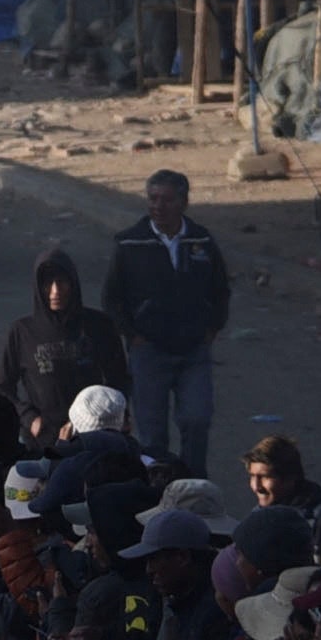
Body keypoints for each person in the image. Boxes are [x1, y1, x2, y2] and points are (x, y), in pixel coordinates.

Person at [104, 169, 231, 477]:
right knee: (152, 433)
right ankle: (156, 496)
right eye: (152, 198)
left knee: (197, 419)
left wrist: (211, 330)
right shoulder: (130, 243)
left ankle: (195, 487)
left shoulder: (200, 241)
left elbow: (220, 290)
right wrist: (132, 336)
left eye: (166, 199)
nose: (158, 206)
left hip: (193, 352)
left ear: (183, 203)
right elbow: (112, 297)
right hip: (149, 351)